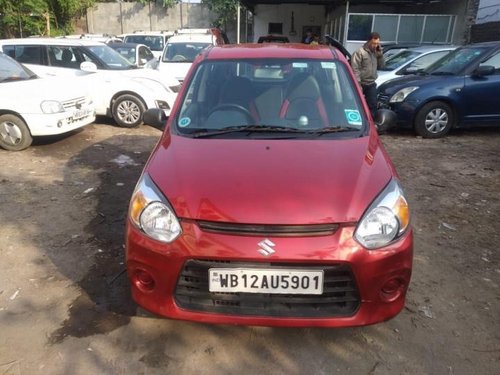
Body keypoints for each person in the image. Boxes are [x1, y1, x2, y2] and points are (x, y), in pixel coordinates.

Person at [350, 32, 385, 117]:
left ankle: (371, 122)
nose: (375, 45)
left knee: (373, 105)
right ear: (368, 41)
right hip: (360, 83)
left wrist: (380, 56)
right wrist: (358, 85)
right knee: (357, 105)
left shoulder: (375, 53)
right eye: (373, 43)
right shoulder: (359, 52)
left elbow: (382, 66)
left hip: (371, 83)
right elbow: (355, 69)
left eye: (377, 44)